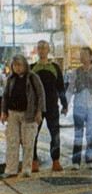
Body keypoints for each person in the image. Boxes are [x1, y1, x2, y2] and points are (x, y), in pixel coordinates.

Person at [1, 54, 45, 178]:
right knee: (12, 142)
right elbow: (5, 96)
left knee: (28, 142)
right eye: (15, 65)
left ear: (25, 65)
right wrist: (4, 112)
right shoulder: (10, 79)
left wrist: (39, 112)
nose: (17, 67)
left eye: (19, 64)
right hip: (13, 113)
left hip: (28, 114)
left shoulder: (33, 77)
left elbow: (41, 95)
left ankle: (26, 169)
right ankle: (11, 169)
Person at [31, 40, 69, 172]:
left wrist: (64, 104)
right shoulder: (32, 68)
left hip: (52, 106)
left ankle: (56, 161)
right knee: (33, 134)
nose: (42, 50)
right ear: (37, 51)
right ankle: (33, 161)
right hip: (36, 108)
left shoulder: (55, 67)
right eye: (39, 48)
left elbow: (60, 87)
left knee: (55, 134)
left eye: (44, 48)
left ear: (48, 50)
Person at [66, 46, 92, 170]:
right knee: (78, 134)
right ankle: (76, 162)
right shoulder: (75, 72)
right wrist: (66, 104)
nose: (82, 57)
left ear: (91, 57)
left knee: (90, 133)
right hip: (79, 106)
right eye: (81, 54)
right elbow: (70, 89)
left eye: (84, 54)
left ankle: (90, 160)